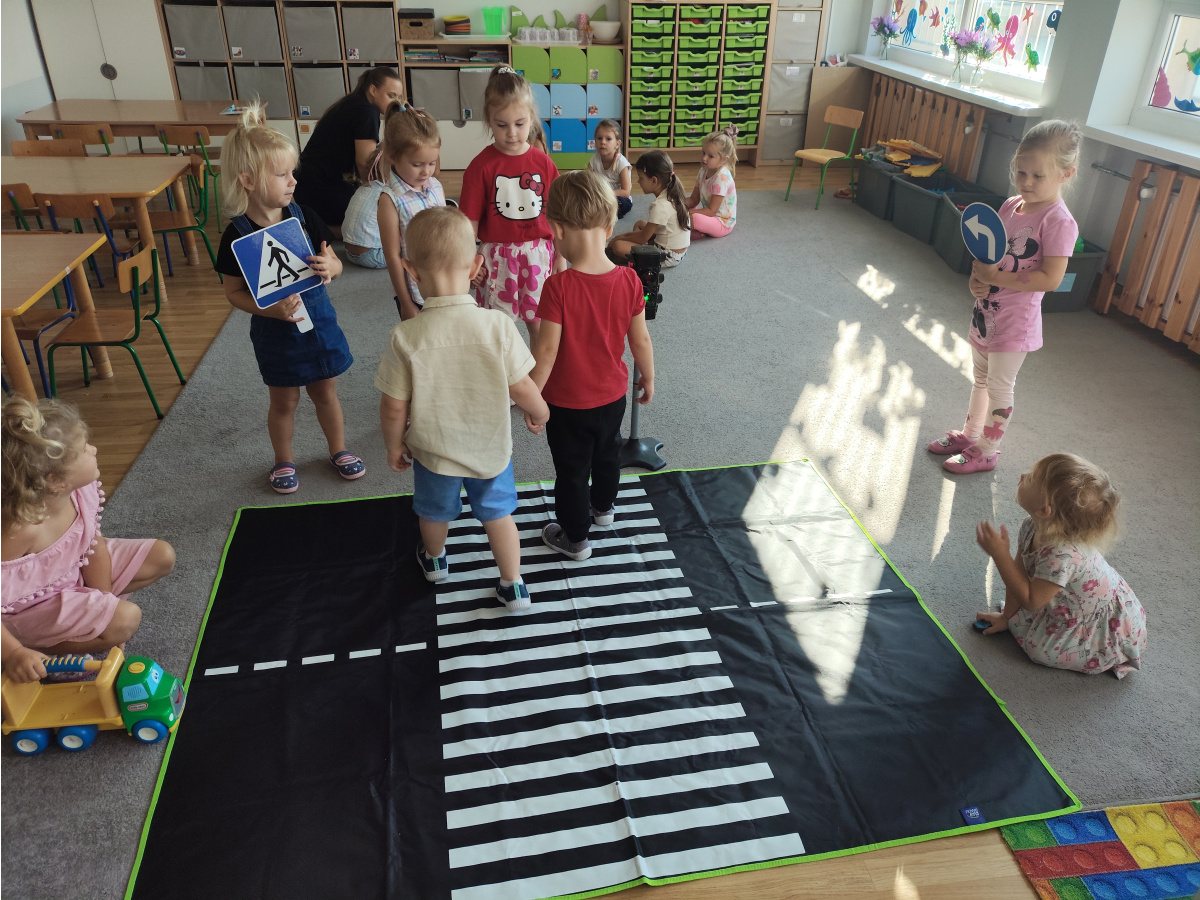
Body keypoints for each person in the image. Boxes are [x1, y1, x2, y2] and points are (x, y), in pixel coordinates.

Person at [376, 206, 550, 612]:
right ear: (476, 267)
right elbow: (522, 385)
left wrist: (393, 445)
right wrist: (540, 411)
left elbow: (392, 406)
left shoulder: (405, 336)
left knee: (434, 513)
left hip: (433, 452)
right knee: (499, 515)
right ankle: (513, 584)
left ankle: (435, 561)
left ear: (411, 271)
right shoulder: (498, 325)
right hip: (490, 449)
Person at [215, 104, 364, 494]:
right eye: (281, 174)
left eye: (292, 172)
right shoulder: (236, 236)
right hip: (276, 333)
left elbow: (334, 262)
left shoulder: (304, 216)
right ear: (247, 180)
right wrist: (268, 309)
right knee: (284, 402)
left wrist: (332, 267)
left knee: (326, 393)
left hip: (320, 322)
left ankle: (339, 449)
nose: (293, 181)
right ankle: (283, 460)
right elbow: (233, 293)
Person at [927, 119, 1081, 474]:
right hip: (986, 315)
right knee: (980, 380)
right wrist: (977, 282)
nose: (1026, 182)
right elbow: (986, 258)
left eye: (1037, 176)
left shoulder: (1058, 221)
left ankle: (988, 450)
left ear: (1066, 173)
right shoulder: (1010, 206)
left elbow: (1052, 278)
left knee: (999, 387)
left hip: (1015, 324)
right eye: (1020, 171)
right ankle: (970, 435)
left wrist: (996, 277)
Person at [1, 398, 175, 684]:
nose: (94, 449)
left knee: (162, 556)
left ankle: (82, 624)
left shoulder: (80, 491)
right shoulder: (17, 532)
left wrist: (103, 601)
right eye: (84, 450)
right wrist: (14, 653)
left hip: (72, 575)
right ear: (55, 481)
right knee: (126, 619)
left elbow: (94, 547)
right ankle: (37, 647)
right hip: (28, 609)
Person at [531, 170, 655, 560]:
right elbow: (640, 340)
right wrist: (648, 376)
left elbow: (546, 352)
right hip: (613, 396)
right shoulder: (631, 281)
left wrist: (531, 398)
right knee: (607, 454)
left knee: (571, 471)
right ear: (609, 227)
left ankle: (575, 539)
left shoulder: (558, 287)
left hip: (567, 404)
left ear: (556, 229)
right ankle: (603, 509)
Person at [974, 453, 1146, 678]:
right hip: (1065, 599)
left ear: (1045, 510)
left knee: (1039, 650)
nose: (1022, 475)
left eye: (1031, 478)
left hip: (1099, 623)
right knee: (1024, 614)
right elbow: (1018, 574)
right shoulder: (1030, 526)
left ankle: (1108, 651)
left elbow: (1031, 601)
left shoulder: (1061, 556)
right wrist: (1007, 617)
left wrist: (1000, 555)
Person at [459, 65, 559, 344]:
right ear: (489, 121)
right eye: (502, 125)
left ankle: (539, 371)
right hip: (497, 260)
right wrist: (469, 262)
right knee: (499, 330)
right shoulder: (480, 166)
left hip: (537, 256)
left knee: (539, 325)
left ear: (532, 119)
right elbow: (469, 222)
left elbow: (557, 216)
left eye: (520, 124)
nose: (512, 133)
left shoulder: (544, 163)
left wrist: (561, 258)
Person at [293, 67, 404, 236]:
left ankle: (314, 225)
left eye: (398, 97)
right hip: (319, 188)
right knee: (378, 219)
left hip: (308, 183)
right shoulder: (366, 111)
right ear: (373, 90)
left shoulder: (354, 102)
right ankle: (311, 229)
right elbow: (365, 165)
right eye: (391, 95)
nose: (395, 102)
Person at [608, 149, 690, 268]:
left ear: (654, 180)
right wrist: (623, 237)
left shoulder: (660, 206)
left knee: (618, 246)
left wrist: (618, 238)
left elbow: (642, 238)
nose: (638, 181)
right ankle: (637, 250)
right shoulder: (672, 193)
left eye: (641, 178)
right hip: (678, 251)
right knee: (640, 224)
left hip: (667, 256)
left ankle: (638, 259)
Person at [688, 125, 739, 238]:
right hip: (709, 216)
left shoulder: (721, 178)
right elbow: (693, 200)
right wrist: (677, 204)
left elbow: (711, 211)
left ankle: (697, 230)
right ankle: (698, 229)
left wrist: (690, 213)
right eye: (703, 153)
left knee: (693, 217)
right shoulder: (702, 171)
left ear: (724, 160)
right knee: (683, 208)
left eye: (710, 156)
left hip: (721, 222)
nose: (704, 158)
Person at [588, 119, 633, 219]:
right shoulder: (594, 160)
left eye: (608, 139)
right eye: (599, 138)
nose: (603, 142)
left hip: (616, 197)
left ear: (617, 144)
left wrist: (605, 193)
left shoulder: (621, 163)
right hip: (600, 196)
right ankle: (601, 211)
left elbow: (626, 192)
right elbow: (588, 182)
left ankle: (604, 213)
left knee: (623, 204)